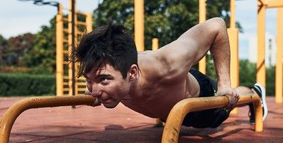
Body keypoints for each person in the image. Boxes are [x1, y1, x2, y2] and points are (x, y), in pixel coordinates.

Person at [74, 18, 267, 128]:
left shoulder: (167, 63)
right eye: (89, 80)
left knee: (226, 104)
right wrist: (95, 84)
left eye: (103, 80)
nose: (95, 89)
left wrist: (225, 84)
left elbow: (217, 26)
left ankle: (254, 93)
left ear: (132, 73)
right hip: (170, 105)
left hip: (198, 103)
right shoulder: (109, 71)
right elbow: (98, 79)